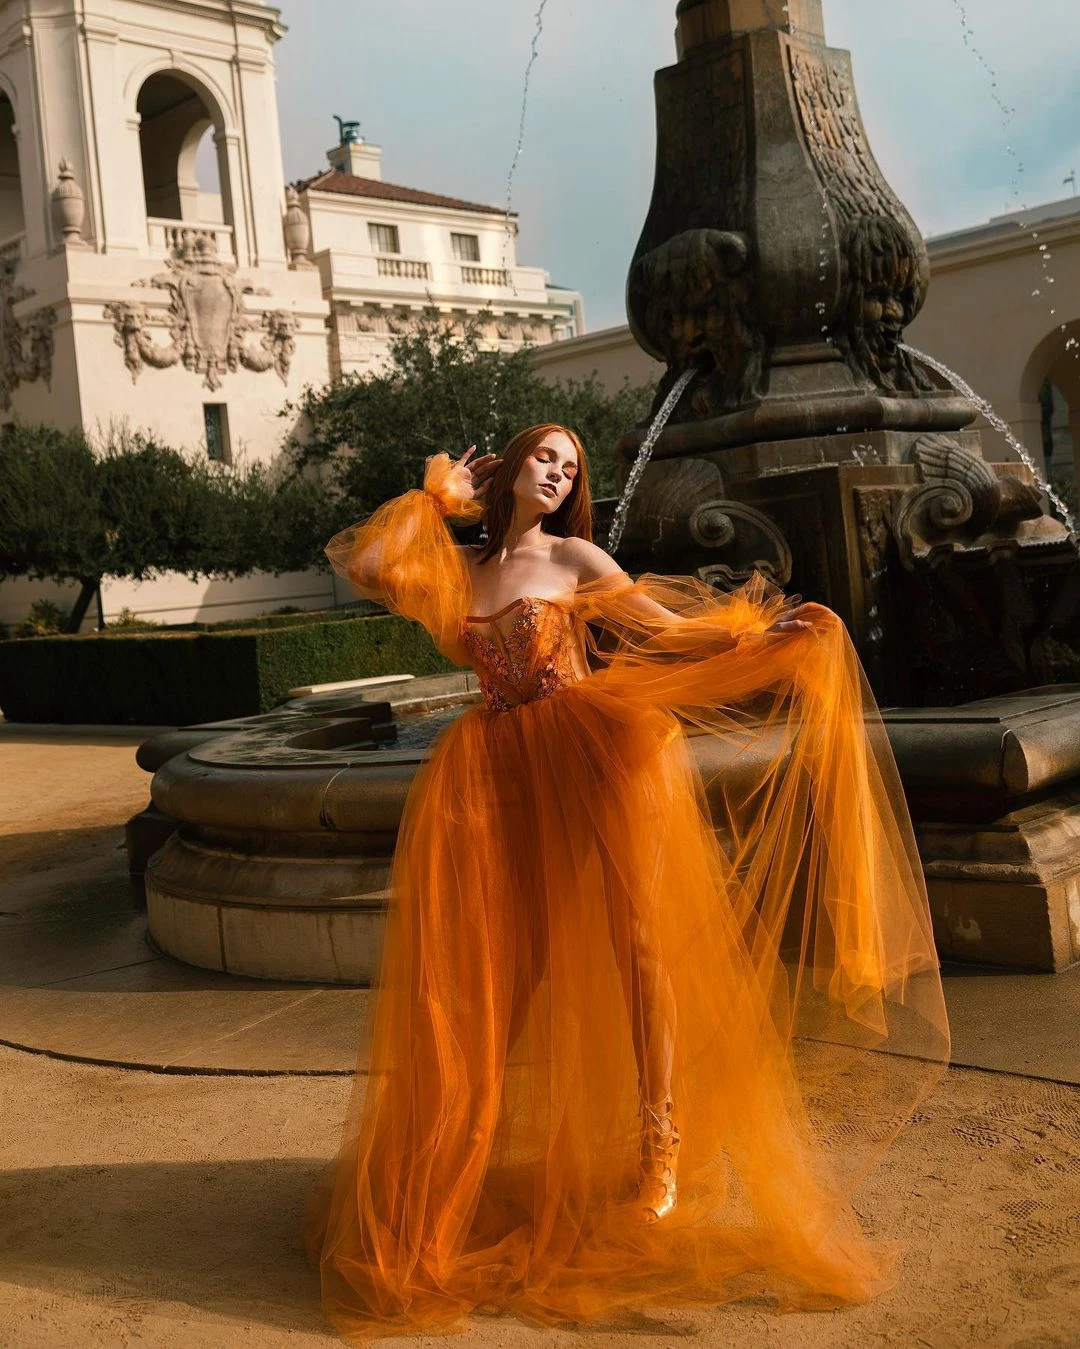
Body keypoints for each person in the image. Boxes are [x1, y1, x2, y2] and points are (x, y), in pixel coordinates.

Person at [307, 423, 950, 1343]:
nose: (560, 474)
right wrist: (437, 496)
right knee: (501, 963)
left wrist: (766, 629)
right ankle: (465, 1139)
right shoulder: (461, 566)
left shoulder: (575, 556)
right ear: (513, 466)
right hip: (494, 770)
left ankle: (663, 1152)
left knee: (637, 940)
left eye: (570, 468)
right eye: (546, 458)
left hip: (597, 749)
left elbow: (666, 628)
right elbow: (369, 564)